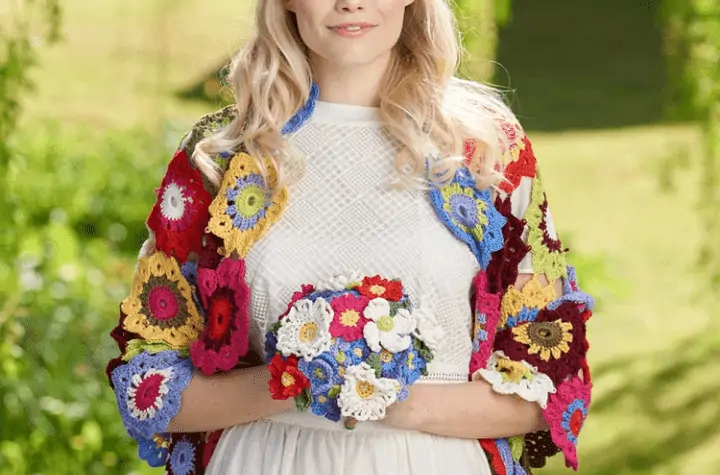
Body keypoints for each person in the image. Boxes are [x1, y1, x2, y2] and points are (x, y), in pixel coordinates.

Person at [106, 1, 595, 474]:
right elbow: (151, 386)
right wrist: (299, 378)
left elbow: (547, 381)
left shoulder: (485, 146)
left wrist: (384, 395)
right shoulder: (222, 158)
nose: (351, 3)